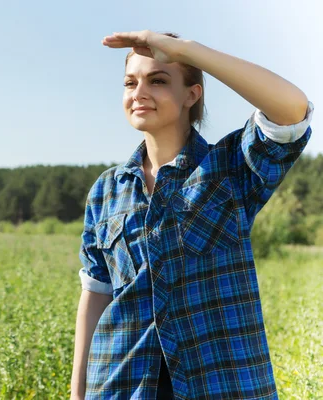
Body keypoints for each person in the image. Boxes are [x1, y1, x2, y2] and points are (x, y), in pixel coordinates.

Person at [70, 30, 314, 399]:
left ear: (192, 94)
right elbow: (96, 297)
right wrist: (78, 394)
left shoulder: (230, 169)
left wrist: (187, 51)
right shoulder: (107, 190)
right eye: (130, 83)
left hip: (219, 384)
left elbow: (292, 109)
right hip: (120, 386)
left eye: (158, 80)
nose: (139, 93)